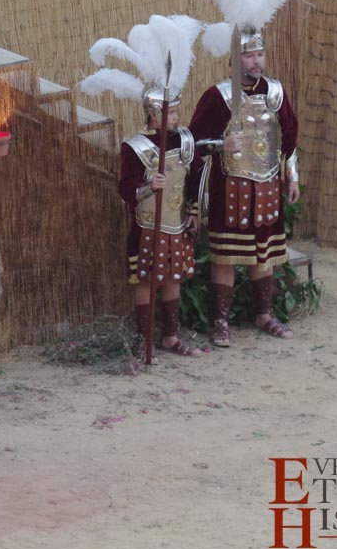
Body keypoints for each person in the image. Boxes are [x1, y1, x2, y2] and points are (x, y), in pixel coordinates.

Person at [187, 35, 300, 347]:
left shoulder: (275, 92)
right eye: (250, 56)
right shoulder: (218, 96)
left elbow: (289, 138)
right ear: (236, 60)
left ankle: (264, 314)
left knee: (263, 254)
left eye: (260, 54)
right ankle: (220, 321)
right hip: (230, 190)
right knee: (225, 256)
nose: (256, 61)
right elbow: (192, 143)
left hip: (267, 187)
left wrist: (292, 177)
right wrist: (221, 144)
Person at [119, 88, 203, 358]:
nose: (177, 117)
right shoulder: (135, 147)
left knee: (173, 278)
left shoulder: (185, 140)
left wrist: (194, 210)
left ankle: (171, 337)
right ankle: (144, 341)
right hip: (147, 226)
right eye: (171, 112)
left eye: (176, 112)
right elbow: (125, 188)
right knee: (146, 281)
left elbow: (196, 178)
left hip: (176, 223)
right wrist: (149, 186)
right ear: (154, 115)